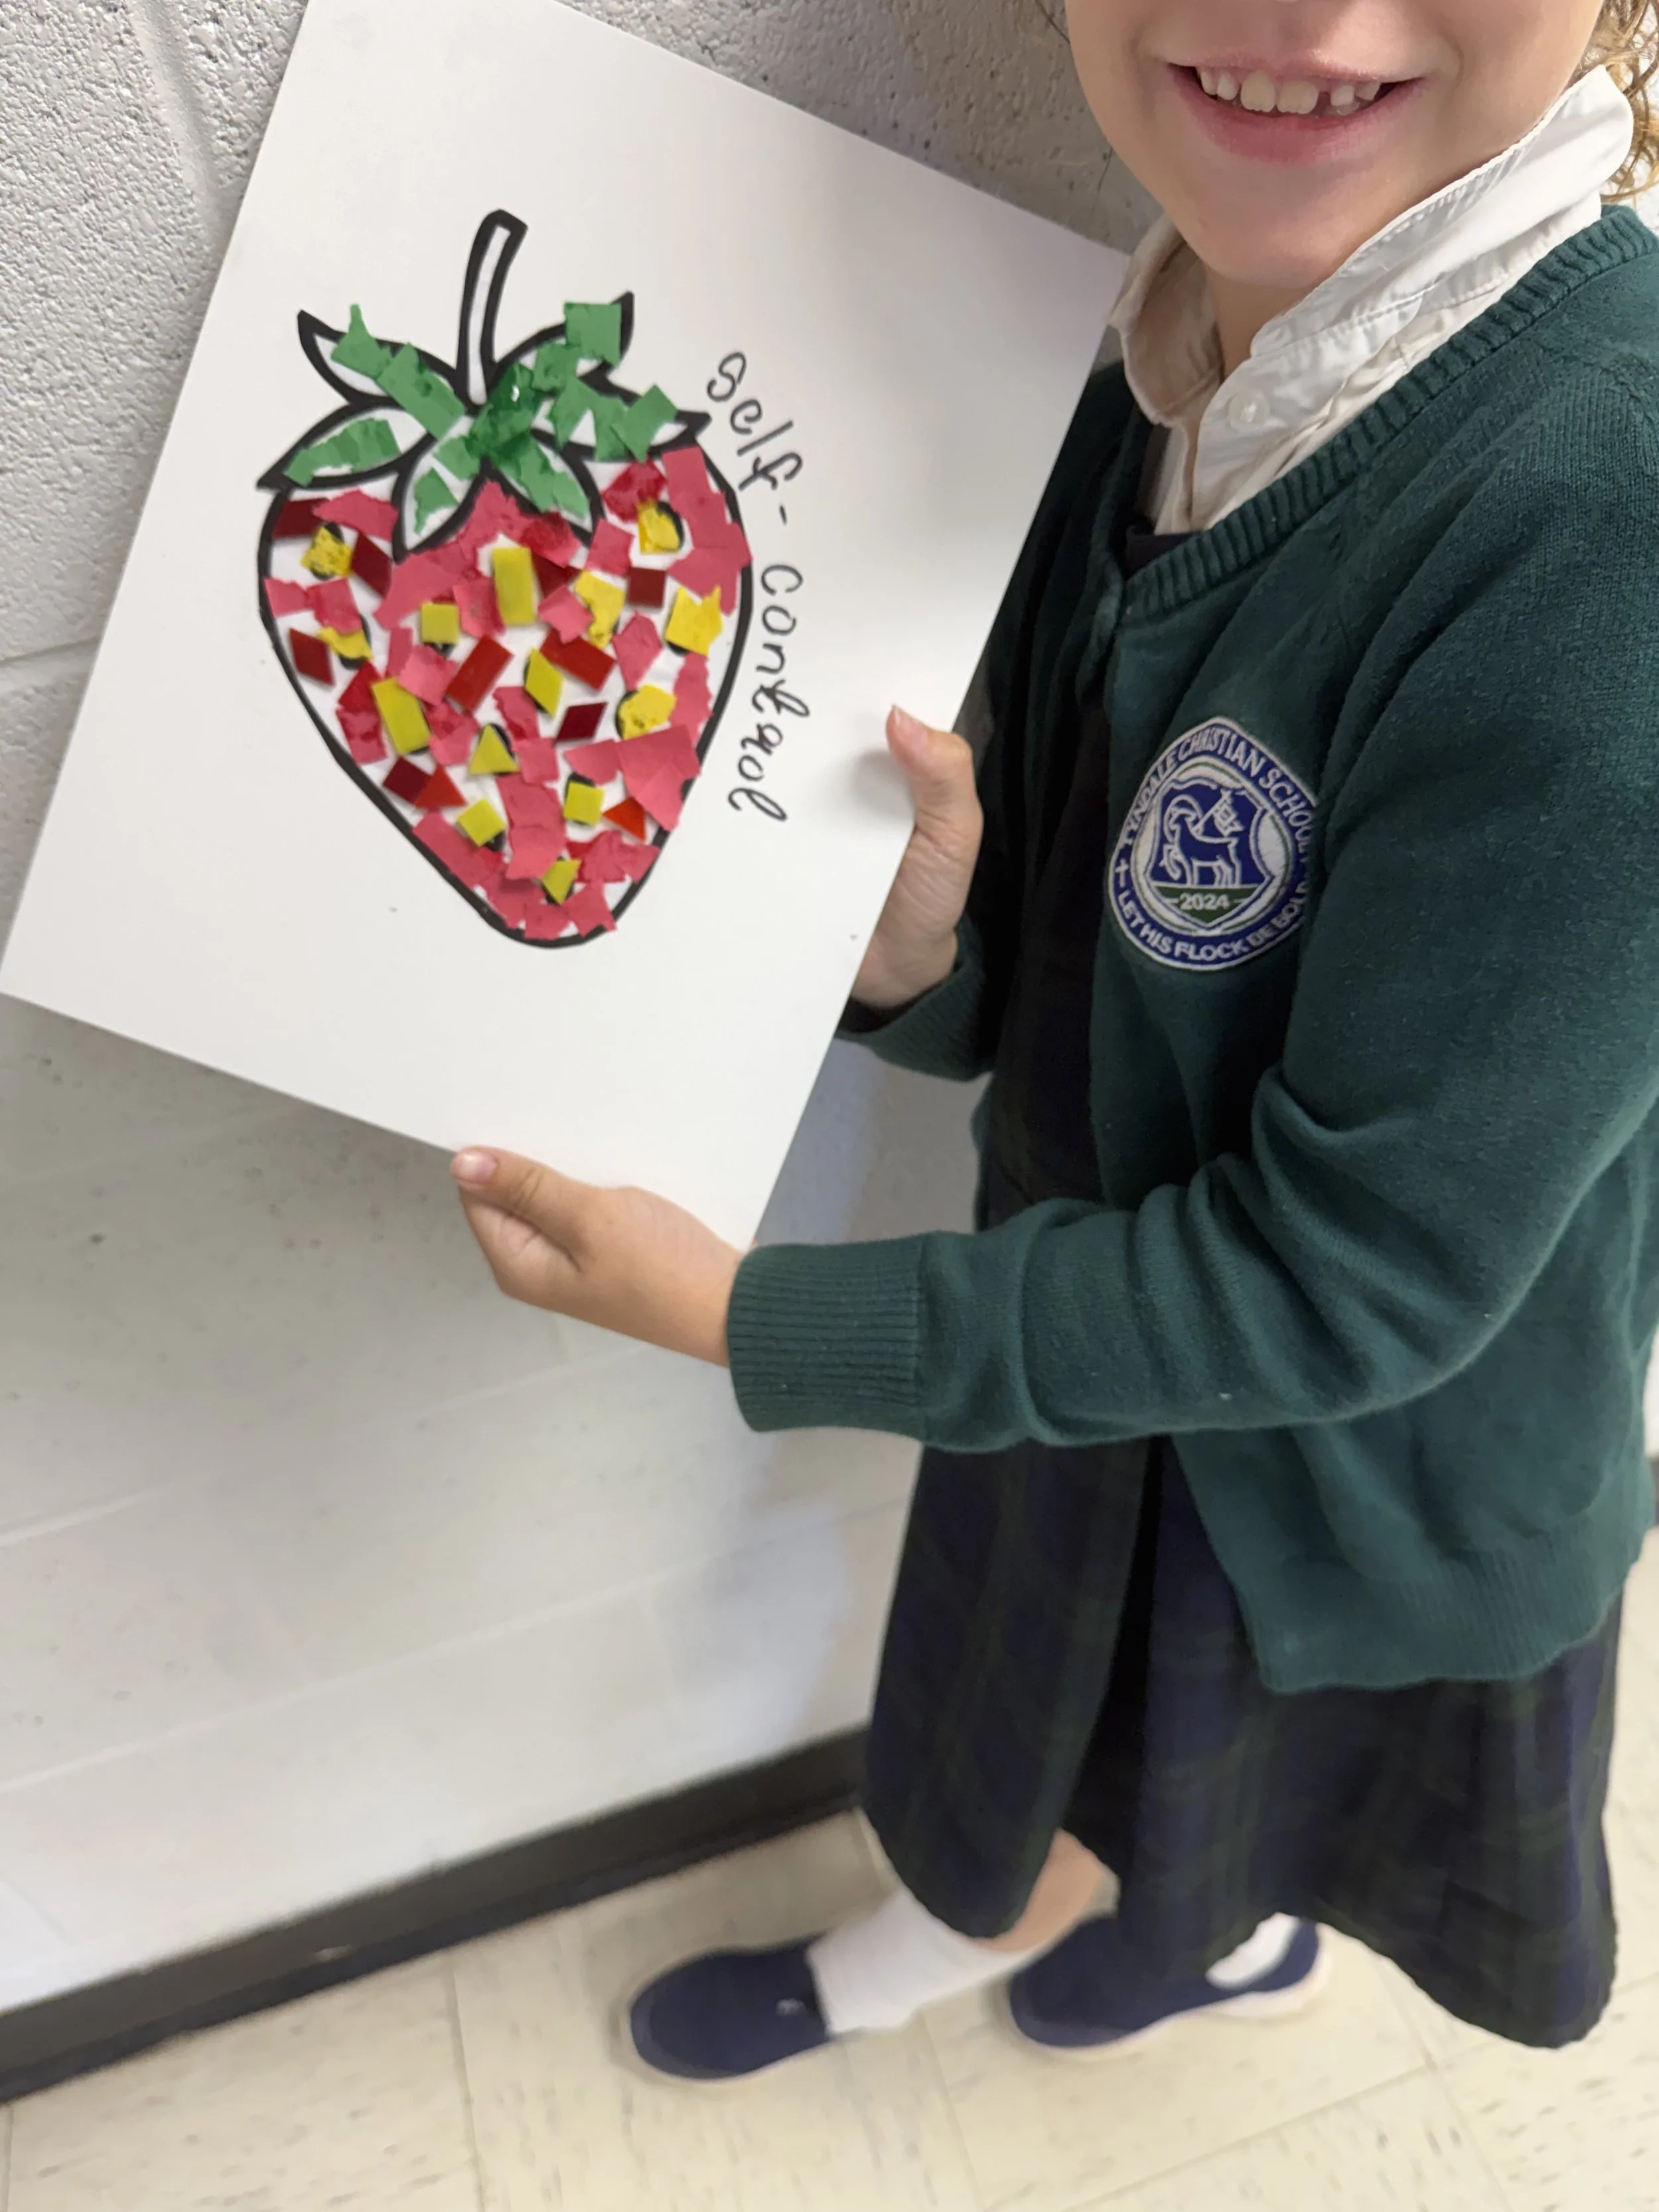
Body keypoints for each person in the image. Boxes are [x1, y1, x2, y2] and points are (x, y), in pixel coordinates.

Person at [448, 0, 1659, 2083]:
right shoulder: (1163, 339)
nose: (1297, 16)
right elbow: (1105, 956)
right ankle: (1067, 1913)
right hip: (1101, 1341)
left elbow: (1354, 1278)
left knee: (1239, 1777)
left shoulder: (1600, 508)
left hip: (1360, 1468)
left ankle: (1216, 1938)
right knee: (1052, 1742)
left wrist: (757, 1322)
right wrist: (928, 954)